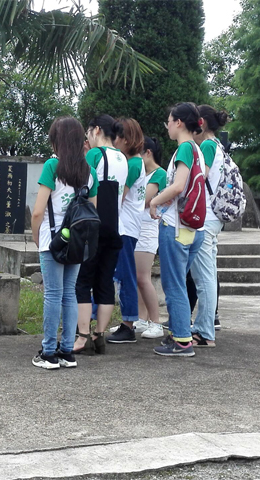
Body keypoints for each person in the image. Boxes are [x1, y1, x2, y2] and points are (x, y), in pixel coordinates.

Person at [31, 116, 98, 369]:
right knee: (70, 293)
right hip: (78, 242)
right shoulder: (90, 172)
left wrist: (36, 236)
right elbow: (92, 211)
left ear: (57, 141)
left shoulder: (52, 166)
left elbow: (38, 212)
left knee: (52, 294)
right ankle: (67, 351)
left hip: (53, 240)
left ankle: (48, 352)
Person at [149, 102, 205, 357]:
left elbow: (178, 186)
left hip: (176, 226)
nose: (168, 126)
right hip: (193, 227)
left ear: (179, 122)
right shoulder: (198, 149)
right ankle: (178, 333)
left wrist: (154, 201)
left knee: (174, 285)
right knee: (179, 282)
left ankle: (182, 340)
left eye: (169, 121)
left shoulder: (184, 148)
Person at [73, 114, 128, 356]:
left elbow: (81, 185)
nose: (87, 137)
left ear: (96, 130)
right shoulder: (123, 158)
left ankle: (82, 336)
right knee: (105, 282)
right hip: (115, 228)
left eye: (88, 132)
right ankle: (99, 335)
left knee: (82, 281)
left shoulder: (95, 154)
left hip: (93, 227)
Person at [188, 104, 229, 347]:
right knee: (208, 275)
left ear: (201, 122)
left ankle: (204, 331)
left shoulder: (207, 146)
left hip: (206, 218)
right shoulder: (219, 146)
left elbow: (199, 177)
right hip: (214, 218)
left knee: (203, 278)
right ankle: (205, 327)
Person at [109, 117, 146, 344]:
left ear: (125, 139)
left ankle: (129, 324)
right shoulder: (136, 162)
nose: (113, 142)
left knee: (125, 275)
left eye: (116, 137)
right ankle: (128, 322)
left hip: (125, 227)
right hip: (130, 227)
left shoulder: (131, 165)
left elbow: (119, 198)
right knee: (125, 274)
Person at [131, 136, 167, 339]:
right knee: (137, 277)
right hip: (136, 227)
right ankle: (141, 319)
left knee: (143, 277)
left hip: (147, 229)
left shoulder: (159, 174)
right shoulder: (142, 173)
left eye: (138, 153)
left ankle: (156, 322)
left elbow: (144, 200)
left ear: (148, 153)